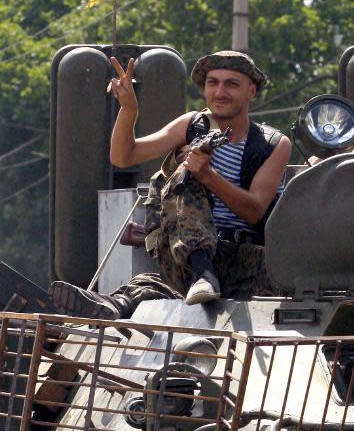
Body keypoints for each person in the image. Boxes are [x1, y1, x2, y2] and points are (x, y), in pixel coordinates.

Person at [50, 50, 292, 318]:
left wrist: (208, 175)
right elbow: (123, 156)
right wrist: (129, 109)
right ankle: (200, 273)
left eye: (231, 84)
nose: (220, 92)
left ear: (252, 91)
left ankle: (121, 303)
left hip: (244, 259)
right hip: (186, 251)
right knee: (183, 177)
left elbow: (255, 210)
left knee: (161, 290)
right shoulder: (191, 126)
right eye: (213, 83)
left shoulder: (271, 144)